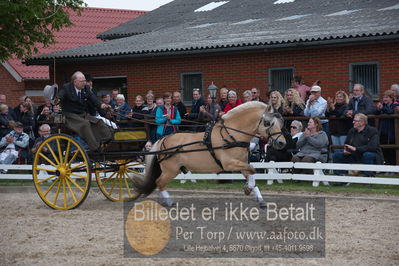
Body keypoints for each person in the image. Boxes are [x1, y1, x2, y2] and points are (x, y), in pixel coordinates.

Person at [58, 71, 112, 152]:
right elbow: (60, 97)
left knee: (99, 122)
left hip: (82, 114)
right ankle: (95, 148)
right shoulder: (67, 88)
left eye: (85, 81)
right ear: (75, 82)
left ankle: (108, 142)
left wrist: (102, 105)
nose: (84, 83)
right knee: (85, 124)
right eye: (82, 81)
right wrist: (57, 101)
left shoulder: (86, 88)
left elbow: (94, 99)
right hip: (70, 116)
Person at [375, 90, 399, 165]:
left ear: (391, 98)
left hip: (392, 133)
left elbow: (390, 112)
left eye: (387, 97)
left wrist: (382, 108)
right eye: (384, 97)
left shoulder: (395, 106)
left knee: (392, 151)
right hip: (382, 132)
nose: (384, 99)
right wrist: (378, 109)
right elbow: (375, 112)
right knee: (384, 151)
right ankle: (387, 168)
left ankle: (393, 169)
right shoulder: (383, 106)